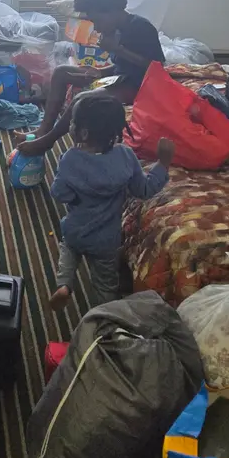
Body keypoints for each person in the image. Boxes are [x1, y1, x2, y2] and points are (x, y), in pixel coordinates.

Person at [48, 90, 174, 312]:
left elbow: (59, 193)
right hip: (107, 240)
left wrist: (75, 195)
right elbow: (144, 189)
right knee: (106, 282)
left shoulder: (70, 159)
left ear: (83, 133)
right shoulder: (125, 156)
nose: (70, 125)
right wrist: (162, 163)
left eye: (73, 122)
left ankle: (65, 285)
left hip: (76, 230)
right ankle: (106, 313)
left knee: (68, 248)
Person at [16, 0, 164, 157]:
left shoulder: (141, 27)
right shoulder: (115, 30)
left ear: (112, 11)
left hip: (138, 86)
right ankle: (43, 130)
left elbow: (156, 67)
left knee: (84, 98)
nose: (97, 27)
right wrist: (100, 72)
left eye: (97, 21)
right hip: (119, 78)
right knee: (61, 72)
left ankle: (47, 142)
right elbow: (122, 66)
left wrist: (118, 50)